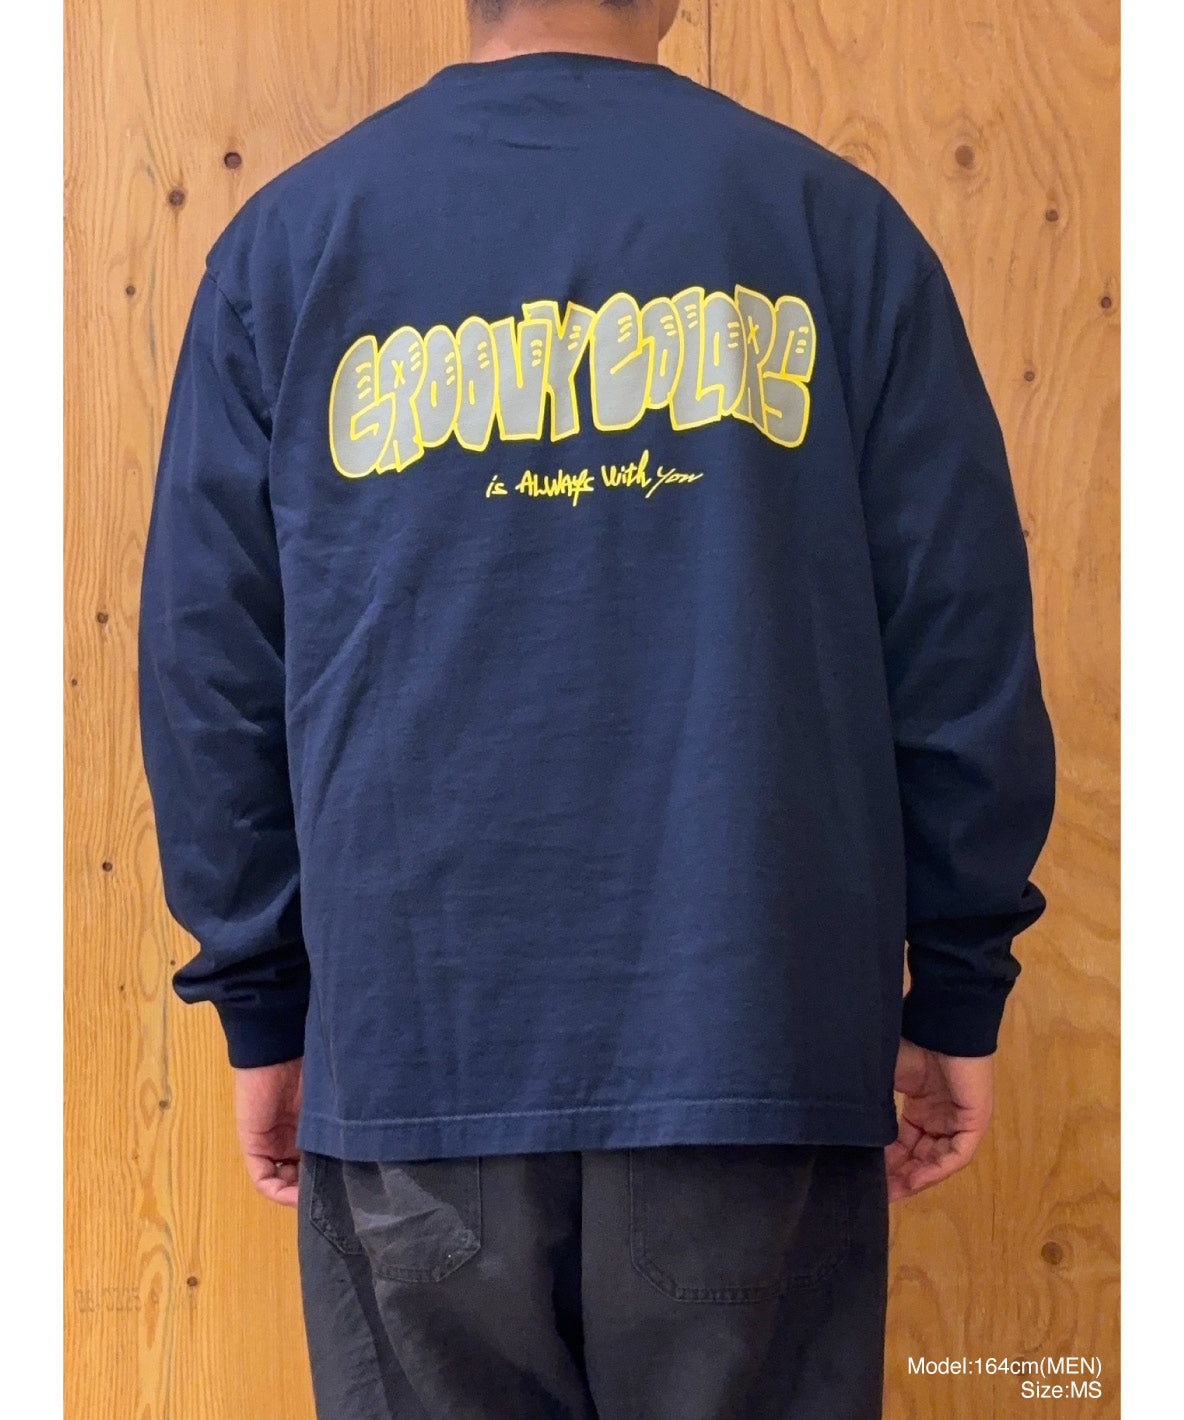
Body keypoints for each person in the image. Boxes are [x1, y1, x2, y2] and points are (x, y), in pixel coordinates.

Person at [136, 0, 1056, 1415]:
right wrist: (958, 982)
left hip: (418, 1056)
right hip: (750, 1042)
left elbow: (212, 668)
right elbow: (960, 640)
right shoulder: (832, 228)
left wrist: (261, 1002)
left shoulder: (292, 247)